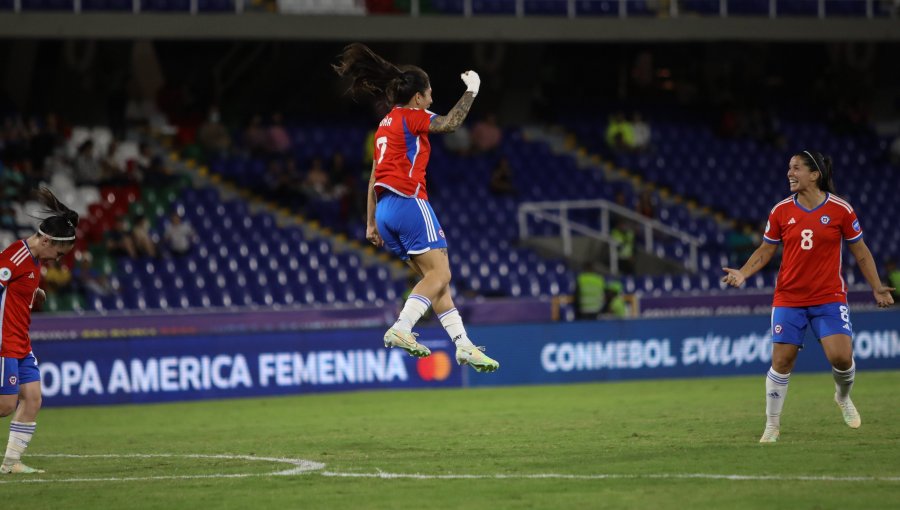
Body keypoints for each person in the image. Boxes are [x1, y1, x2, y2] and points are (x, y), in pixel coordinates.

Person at [333, 43, 499, 373]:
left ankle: (463, 346)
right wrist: (472, 90)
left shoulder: (384, 125)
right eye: (430, 93)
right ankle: (401, 328)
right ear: (418, 98)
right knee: (442, 273)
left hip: (384, 211)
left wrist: (370, 223)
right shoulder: (413, 116)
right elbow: (451, 123)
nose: (432, 99)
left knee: (435, 282)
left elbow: (372, 176)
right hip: (409, 202)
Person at [722, 150, 894, 444]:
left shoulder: (841, 210)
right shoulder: (780, 211)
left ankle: (842, 397)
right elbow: (766, 250)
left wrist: (877, 286)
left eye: (796, 168)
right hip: (789, 298)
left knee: (841, 357)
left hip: (829, 297)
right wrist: (743, 273)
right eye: (789, 167)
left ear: (814, 175)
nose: (789, 173)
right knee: (782, 360)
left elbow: (860, 251)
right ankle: (772, 425)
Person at [1, 187, 79, 474]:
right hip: (4, 341)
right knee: (5, 405)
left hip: (21, 340)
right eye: (58, 253)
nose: (57, 259)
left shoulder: (34, 261)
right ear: (46, 240)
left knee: (32, 399)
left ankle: (10, 464)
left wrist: (33, 294)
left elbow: (14, 291)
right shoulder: (17, 255)